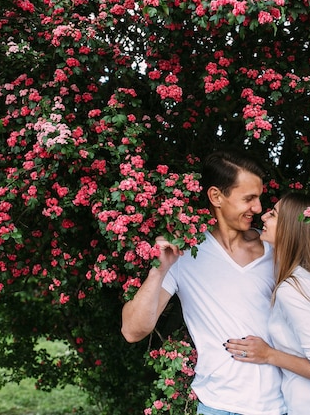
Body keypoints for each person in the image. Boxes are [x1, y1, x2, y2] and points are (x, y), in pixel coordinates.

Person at [121, 150, 288, 415]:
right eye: (249, 198)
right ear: (216, 197)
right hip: (217, 407)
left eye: (259, 198)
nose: (258, 208)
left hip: (281, 406)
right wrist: (158, 271)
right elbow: (133, 331)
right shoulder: (184, 254)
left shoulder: (275, 249)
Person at [224, 192, 310, 415]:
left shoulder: (291, 289)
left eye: (274, 214)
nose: (264, 217)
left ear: (291, 228)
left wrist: (269, 355)